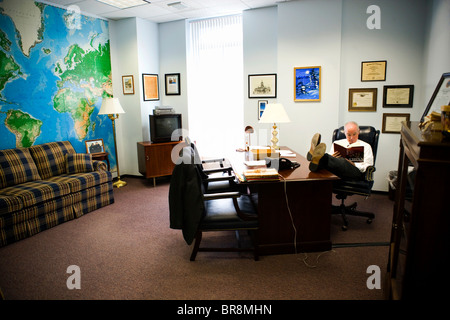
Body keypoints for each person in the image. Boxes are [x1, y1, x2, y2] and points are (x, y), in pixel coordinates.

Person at [307, 121, 374, 181]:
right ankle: (315, 161)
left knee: (342, 161)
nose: (351, 138)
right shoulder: (337, 143)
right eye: (348, 135)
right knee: (326, 160)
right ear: (345, 133)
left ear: (358, 132)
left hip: (354, 172)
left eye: (354, 134)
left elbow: (368, 165)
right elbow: (331, 159)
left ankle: (313, 156)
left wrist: (354, 164)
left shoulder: (366, 146)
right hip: (337, 170)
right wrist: (332, 157)